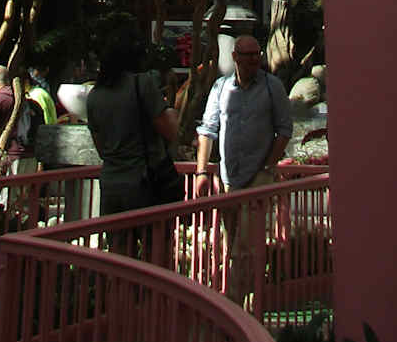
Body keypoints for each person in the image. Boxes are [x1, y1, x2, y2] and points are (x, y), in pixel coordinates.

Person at [195, 35, 292, 303]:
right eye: (246, 55)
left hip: (257, 176)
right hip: (229, 178)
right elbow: (207, 130)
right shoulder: (221, 87)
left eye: (256, 55)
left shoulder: (272, 87)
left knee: (244, 247)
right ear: (235, 56)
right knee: (232, 243)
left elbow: (284, 129)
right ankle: (245, 303)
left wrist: (268, 166)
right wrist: (202, 172)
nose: (252, 61)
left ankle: (233, 305)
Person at [86, 27, 179, 216]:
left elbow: (101, 148)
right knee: (151, 234)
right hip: (143, 182)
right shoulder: (141, 84)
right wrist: (170, 106)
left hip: (111, 184)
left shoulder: (94, 95)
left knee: (117, 234)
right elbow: (170, 130)